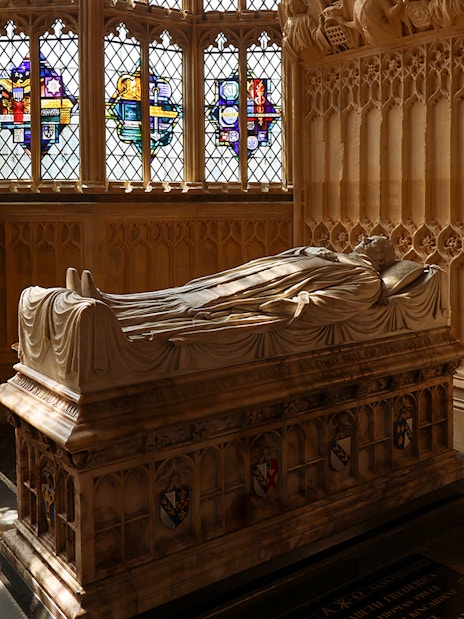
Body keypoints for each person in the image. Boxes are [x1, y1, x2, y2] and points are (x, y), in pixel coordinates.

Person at [66, 236, 400, 337]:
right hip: (255, 275)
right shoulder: (331, 253)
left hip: (266, 291)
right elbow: (292, 253)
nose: (365, 238)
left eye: (376, 241)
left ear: (382, 260)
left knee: (195, 307)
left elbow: (332, 304)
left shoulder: (366, 278)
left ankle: (119, 325)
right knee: (190, 291)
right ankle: (112, 302)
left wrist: (292, 307)